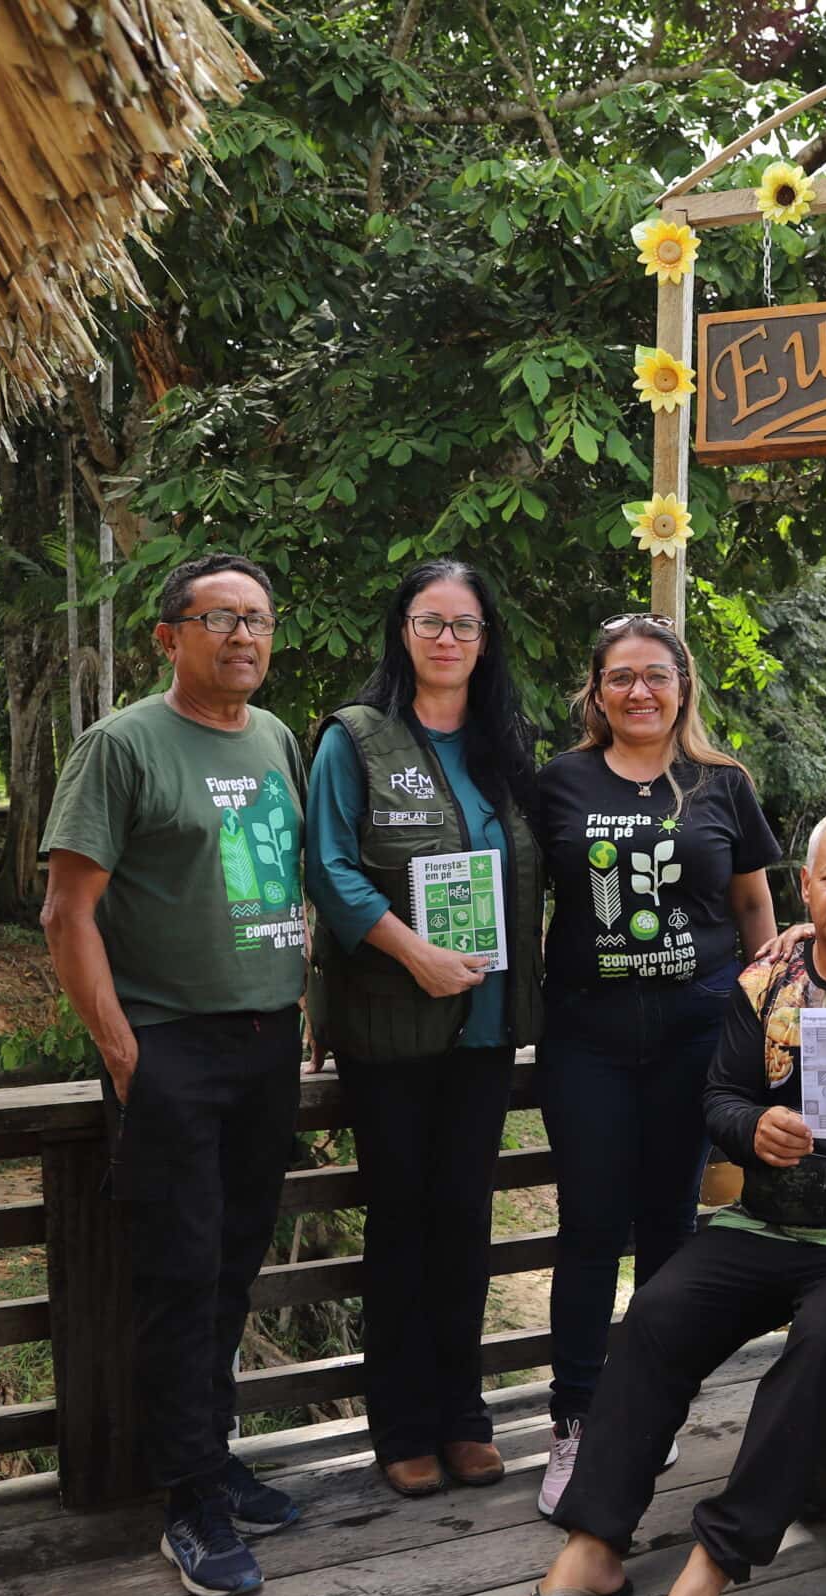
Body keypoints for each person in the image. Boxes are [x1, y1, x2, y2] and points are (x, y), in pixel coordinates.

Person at [497, 799, 826, 1596]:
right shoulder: (764, 979)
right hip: (762, 1220)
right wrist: (753, 1130)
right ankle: (598, 1539)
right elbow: (717, 1097)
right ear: (805, 884)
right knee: (657, 1312)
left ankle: (716, 1558)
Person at [39, 552, 308, 1596]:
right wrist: (123, 1053)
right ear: (169, 637)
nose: (242, 636)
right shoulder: (120, 748)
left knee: (235, 1264)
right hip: (171, 1047)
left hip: (263, 1044)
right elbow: (68, 915)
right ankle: (186, 1499)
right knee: (179, 1272)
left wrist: (299, 1003)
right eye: (217, 618)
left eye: (257, 617)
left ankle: (216, 1456)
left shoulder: (279, 738)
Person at [531, 614, 783, 1514]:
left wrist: (765, 1016)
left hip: (696, 1033)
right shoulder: (558, 782)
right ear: (596, 692)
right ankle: (574, 1422)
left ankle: (652, 1406)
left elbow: (756, 904)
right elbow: (523, 897)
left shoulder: (721, 783)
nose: (640, 692)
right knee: (591, 1226)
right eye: (621, 677)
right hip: (587, 1037)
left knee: (672, 1227)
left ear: (684, 686)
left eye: (658, 675)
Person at [303, 558, 543, 1498]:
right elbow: (330, 870)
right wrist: (415, 954)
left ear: (487, 642)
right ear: (402, 630)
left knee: (466, 1221)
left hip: (486, 1026)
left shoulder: (502, 745)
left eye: (466, 625)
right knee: (401, 1221)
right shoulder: (354, 740)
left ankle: (464, 1413)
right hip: (392, 1024)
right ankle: (401, 1423)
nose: (448, 639)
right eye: (430, 621)